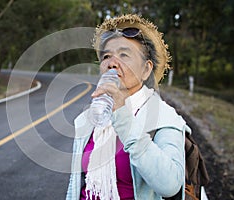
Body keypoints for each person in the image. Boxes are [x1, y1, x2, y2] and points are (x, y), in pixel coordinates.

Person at [66, 14, 190, 200]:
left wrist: (122, 116)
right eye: (107, 56)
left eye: (124, 55)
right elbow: (75, 184)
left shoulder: (163, 117)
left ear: (146, 69)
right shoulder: (93, 116)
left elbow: (170, 185)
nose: (112, 63)